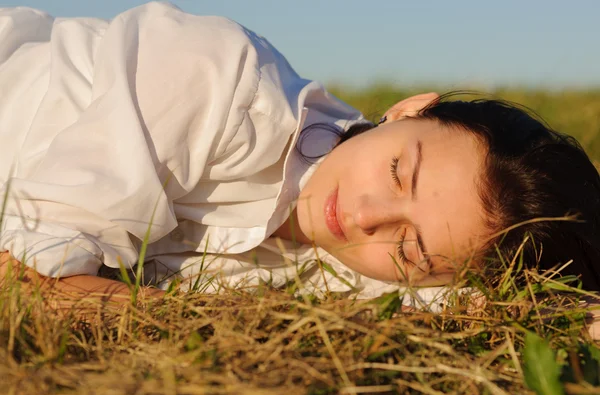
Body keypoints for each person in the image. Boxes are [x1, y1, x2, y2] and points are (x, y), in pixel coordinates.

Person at [0, 2, 598, 313]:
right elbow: (22, 282)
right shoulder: (219, 80)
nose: (364, 217)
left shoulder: (359, 269)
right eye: (397, 171)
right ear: (408, 110)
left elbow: (514, 302)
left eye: (411, 248)